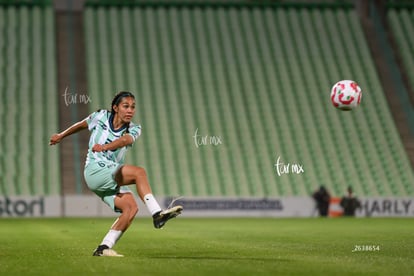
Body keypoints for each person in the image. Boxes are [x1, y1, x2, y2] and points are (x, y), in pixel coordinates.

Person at [49, 91, 183, 257]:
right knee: (139, 173)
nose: (130, 110)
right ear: (115, 108)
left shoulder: (134, 128)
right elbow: (82, 124)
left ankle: (103, 247)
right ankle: (157, 214)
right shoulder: (101, 116)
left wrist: (105, 147)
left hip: (109, 175)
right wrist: (61, 135)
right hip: (95, 169)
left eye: (133, 107)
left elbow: (125, 140)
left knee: (131, 208)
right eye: (125, 106)